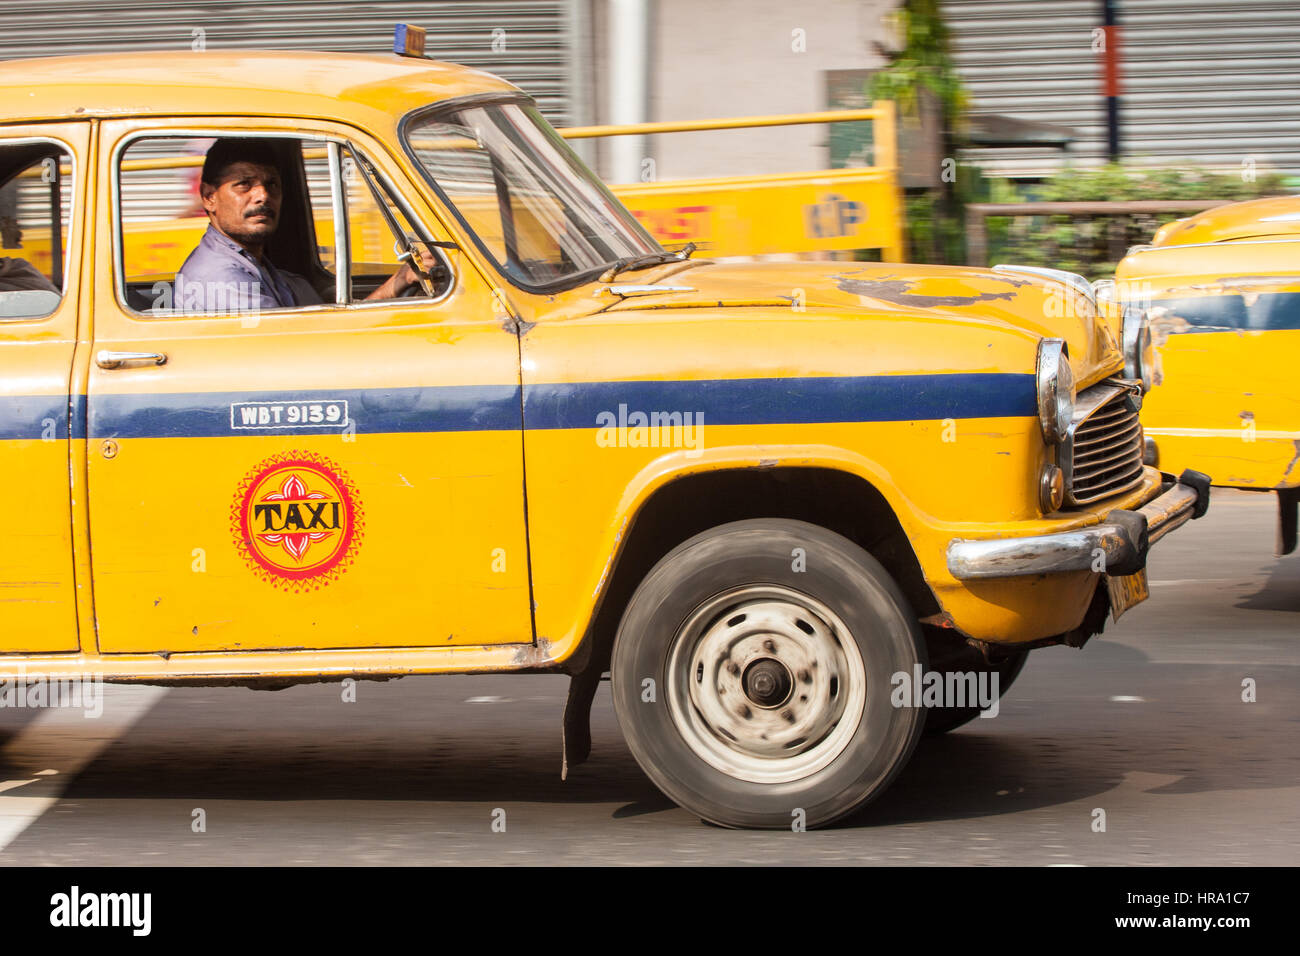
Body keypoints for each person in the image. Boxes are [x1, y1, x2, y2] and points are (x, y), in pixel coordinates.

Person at [175, 138, 435, 313]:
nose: (263, 195)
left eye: (272, 184)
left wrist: (400, 281)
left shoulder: (257, 265)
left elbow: (324, 334)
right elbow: (304, 353)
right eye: (244, 184)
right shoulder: (222, 278)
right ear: (209, 197)